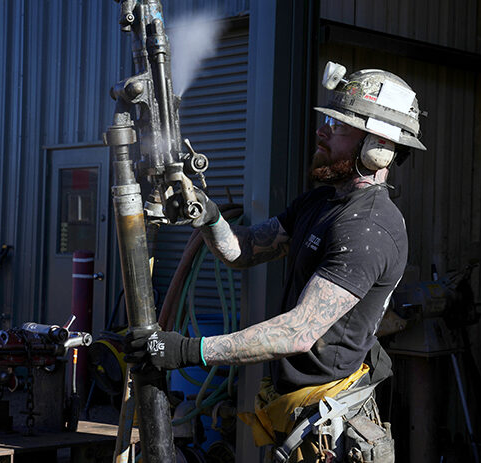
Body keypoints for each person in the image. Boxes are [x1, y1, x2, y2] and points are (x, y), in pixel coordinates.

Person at [125, 63, 427, 462]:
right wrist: (207, 214)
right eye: (328, 122)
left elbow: (299, 331)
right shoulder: (321, 202)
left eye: (338, 127)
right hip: (296, 416)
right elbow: (241, 250)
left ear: (378, 148)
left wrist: (187, 351)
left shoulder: (369, 228)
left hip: (330, 430)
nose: (321, 132)